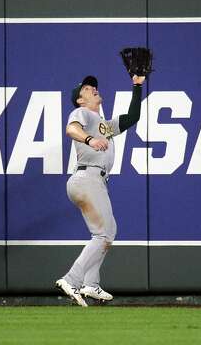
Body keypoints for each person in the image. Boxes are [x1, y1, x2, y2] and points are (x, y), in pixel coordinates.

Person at [55, 72, 145, 306]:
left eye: (93, 86)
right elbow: (71, 130)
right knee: (103, 234)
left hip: (92, 181)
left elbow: (132, 116)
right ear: (80, 100)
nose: (92, 88)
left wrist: (137, 86)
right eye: (86, 88)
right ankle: (71, 279)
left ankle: (90, 284)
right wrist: (89, 140)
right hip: (87, 178)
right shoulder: (81, 112)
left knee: (108, 231)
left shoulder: (104, 125)